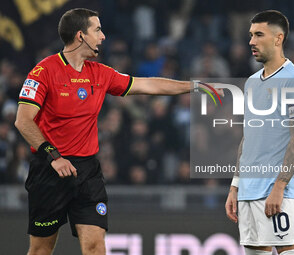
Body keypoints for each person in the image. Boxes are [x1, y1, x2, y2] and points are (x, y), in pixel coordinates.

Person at [15, 8, 223, 255]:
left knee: (95, 245)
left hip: (87, 172)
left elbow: (148, 84)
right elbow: (23, 121)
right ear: (80, 35)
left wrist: (194, 85)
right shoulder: (44, 71)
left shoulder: (101, 73)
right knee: (40, 250)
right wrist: (54, 156)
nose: (103, 37)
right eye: (98, 30)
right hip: (49, 169)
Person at [225, 10, 294, 255]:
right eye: (251, 35)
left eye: (259, 35)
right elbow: (248, 138)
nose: (251, 41)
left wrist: (280, 186)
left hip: (276, 189)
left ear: (278, 38)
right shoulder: (252, 82)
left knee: (289, 249)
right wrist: (235, 186)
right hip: (248, 189)